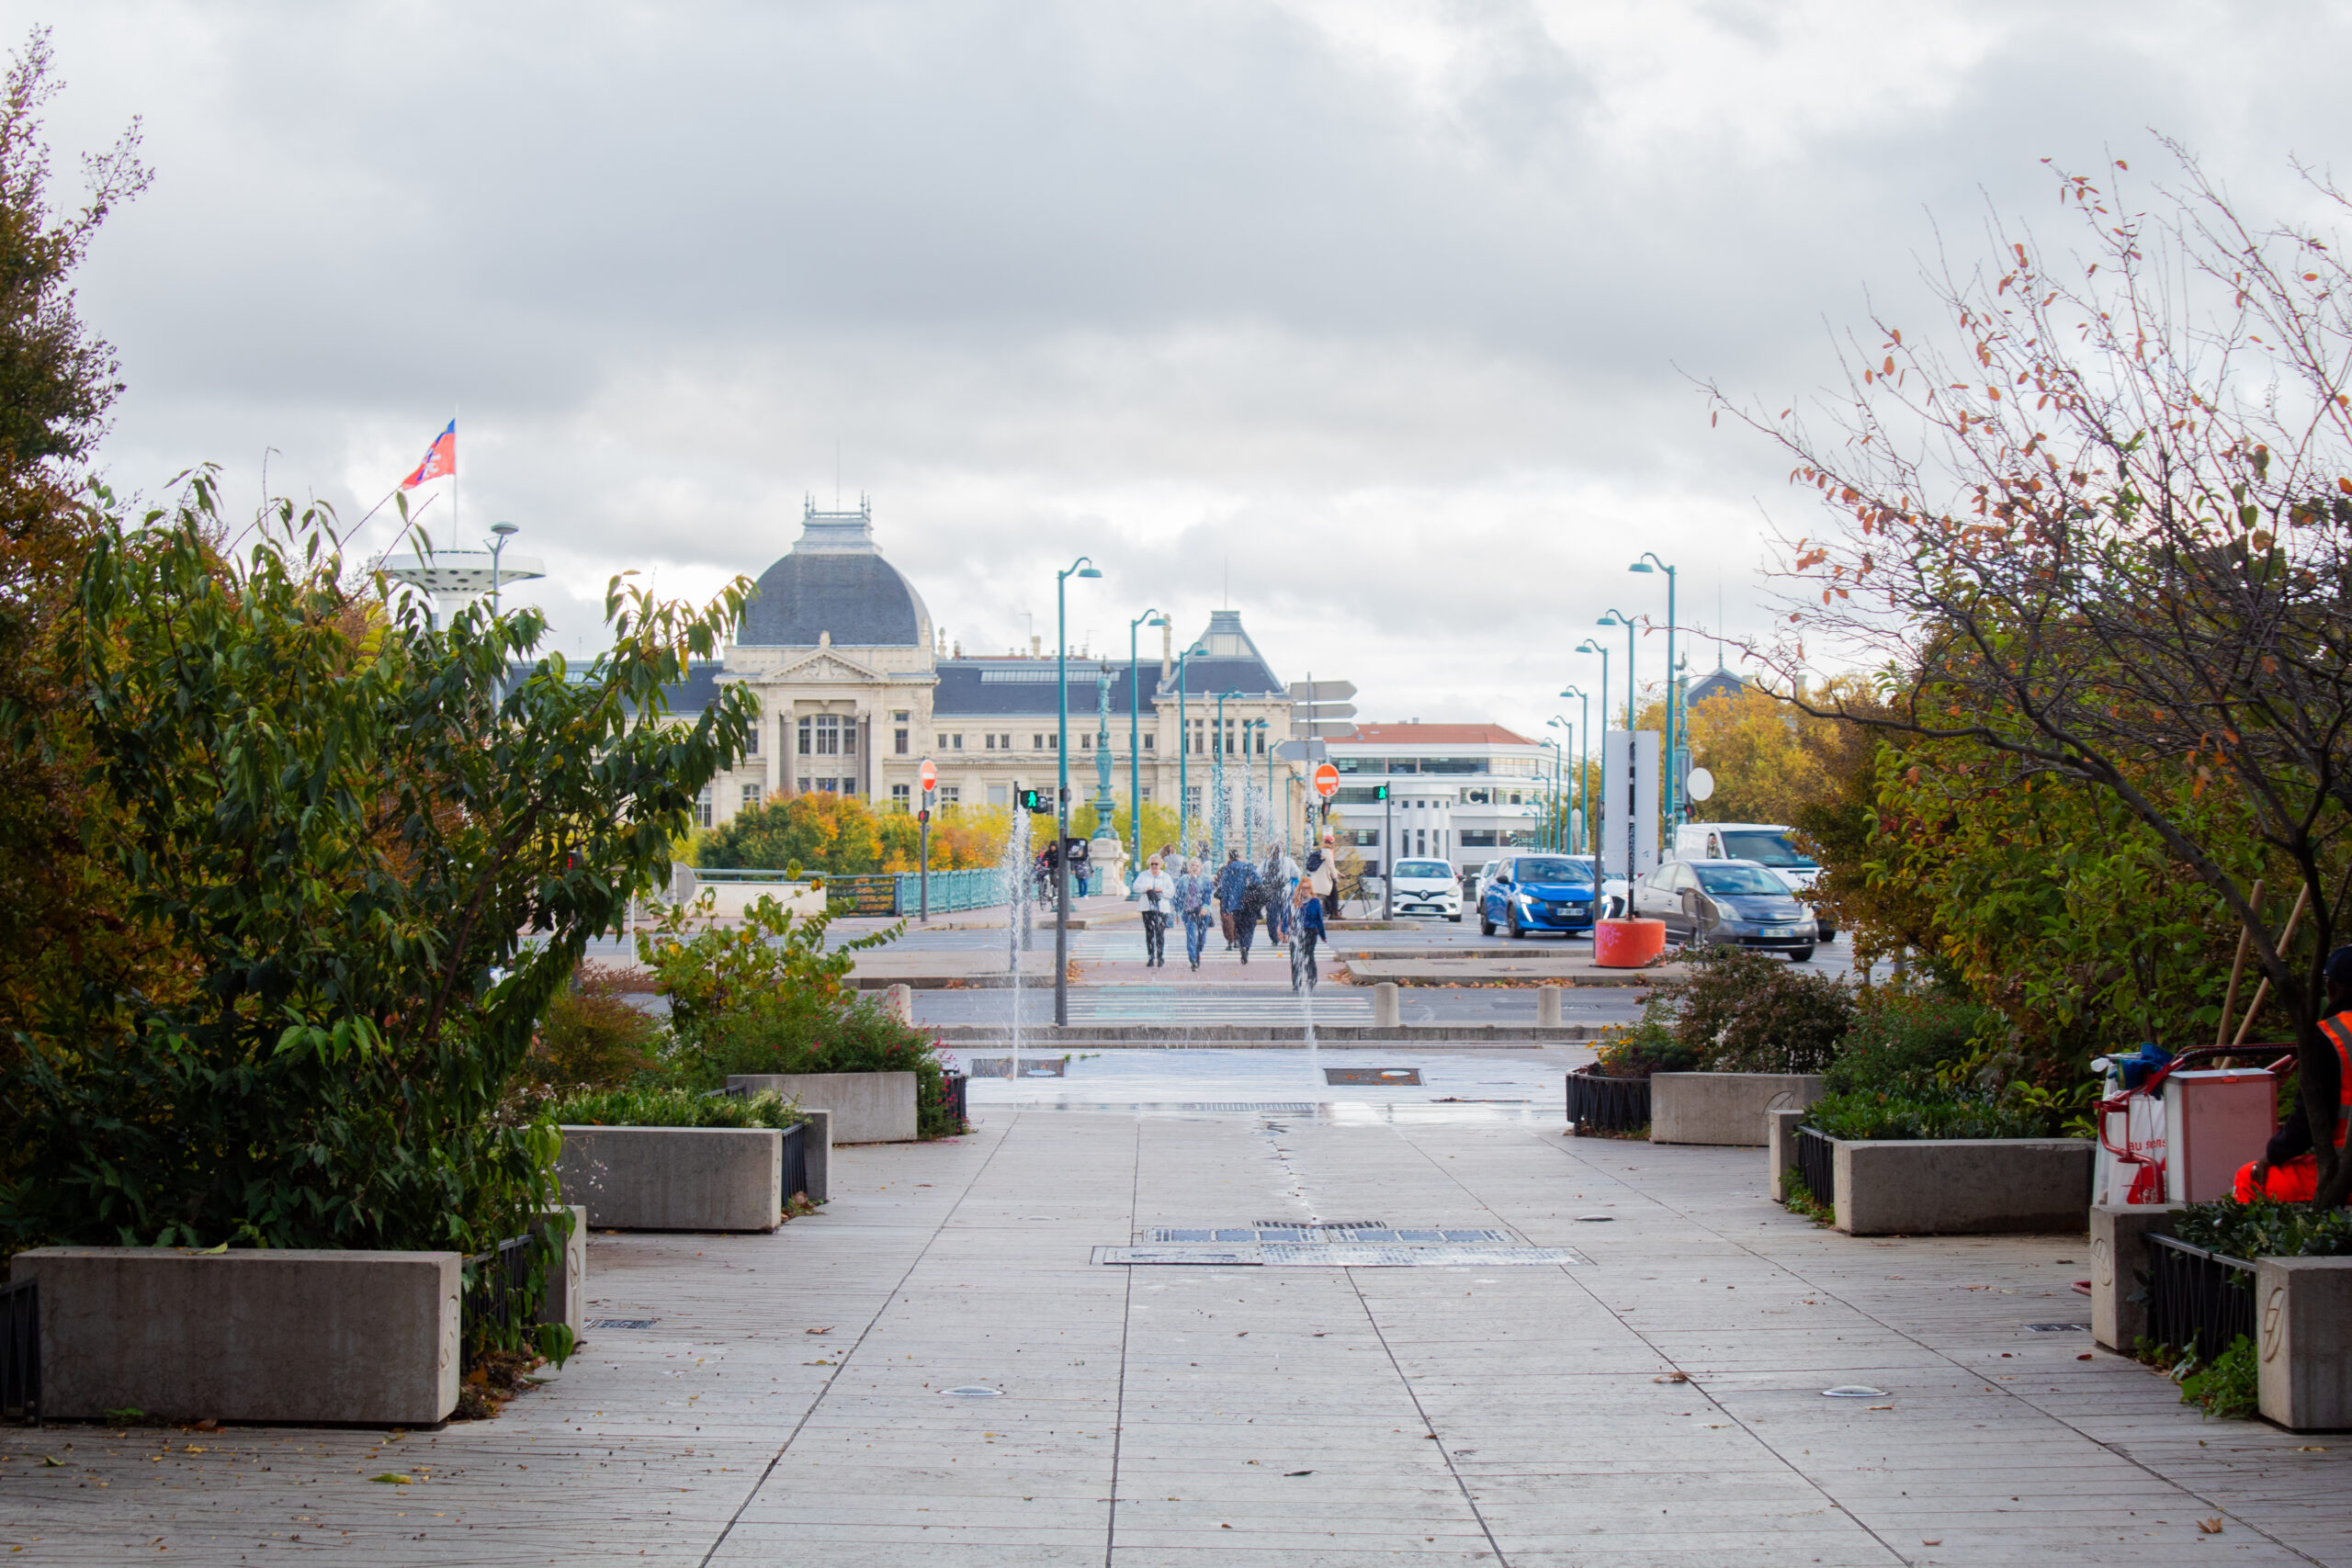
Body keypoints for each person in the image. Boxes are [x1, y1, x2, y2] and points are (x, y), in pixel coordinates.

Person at [2233, 944, 2352, 1202]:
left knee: (2249, 1179)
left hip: (2345, 1173)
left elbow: (2309, 1122)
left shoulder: (2329, 1037)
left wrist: (2271, 1155)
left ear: (2331, 988)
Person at [1291, 840, 1339, 990]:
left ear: (1310, 889)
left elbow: (1319, 920)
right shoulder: (1295, 901)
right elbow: (1287, 916)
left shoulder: (1315, 902)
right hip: (1296, 932)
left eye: (1307, 888)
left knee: (1308, 955)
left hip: (1311, 931)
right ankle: (1296, 982)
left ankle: (1312, 978)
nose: (1304, 891)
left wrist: (1323, 935)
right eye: (1302, 888)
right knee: (1295, 958)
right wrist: (1284, 929)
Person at [1133, 854, 1175, 967]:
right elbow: (1135, 887)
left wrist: (1161, 890)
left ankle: (1160, 956)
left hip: (1161, 909)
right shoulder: (1143, 875)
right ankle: (1151, 957)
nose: (1154, 866)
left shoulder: (1165, 877)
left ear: (1160, 865)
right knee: (1149, 933)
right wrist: (1146, 888)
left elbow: (1171, 892)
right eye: (1152, 864)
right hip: (1147, 909)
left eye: (1156, 864)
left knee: (1160, 933)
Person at [1175, 856, 1214, 971]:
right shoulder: (1183, 880)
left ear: (1201, 867)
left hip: (1202, 911)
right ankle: (1193, 960)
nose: (1195, 867)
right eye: (1192, 865)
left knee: (1202, 938)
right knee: (1191, 936)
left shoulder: (1206, 879)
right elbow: (1178, 897)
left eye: (1197, 865)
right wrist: (1177, 913)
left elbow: (1208, 895)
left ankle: (1197, 953)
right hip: (1188, 911)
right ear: (1189, 867)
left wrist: (1205, 908)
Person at [1215, 848, 1250, 951]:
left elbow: (1219, 884)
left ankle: (1230, 941)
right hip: (1241, 898)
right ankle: (1238, 939)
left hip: (1227, 898)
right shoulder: (1245, 868)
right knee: (1239, 919)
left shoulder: (1224, 869)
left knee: (1227, 920)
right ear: (1239, 856)